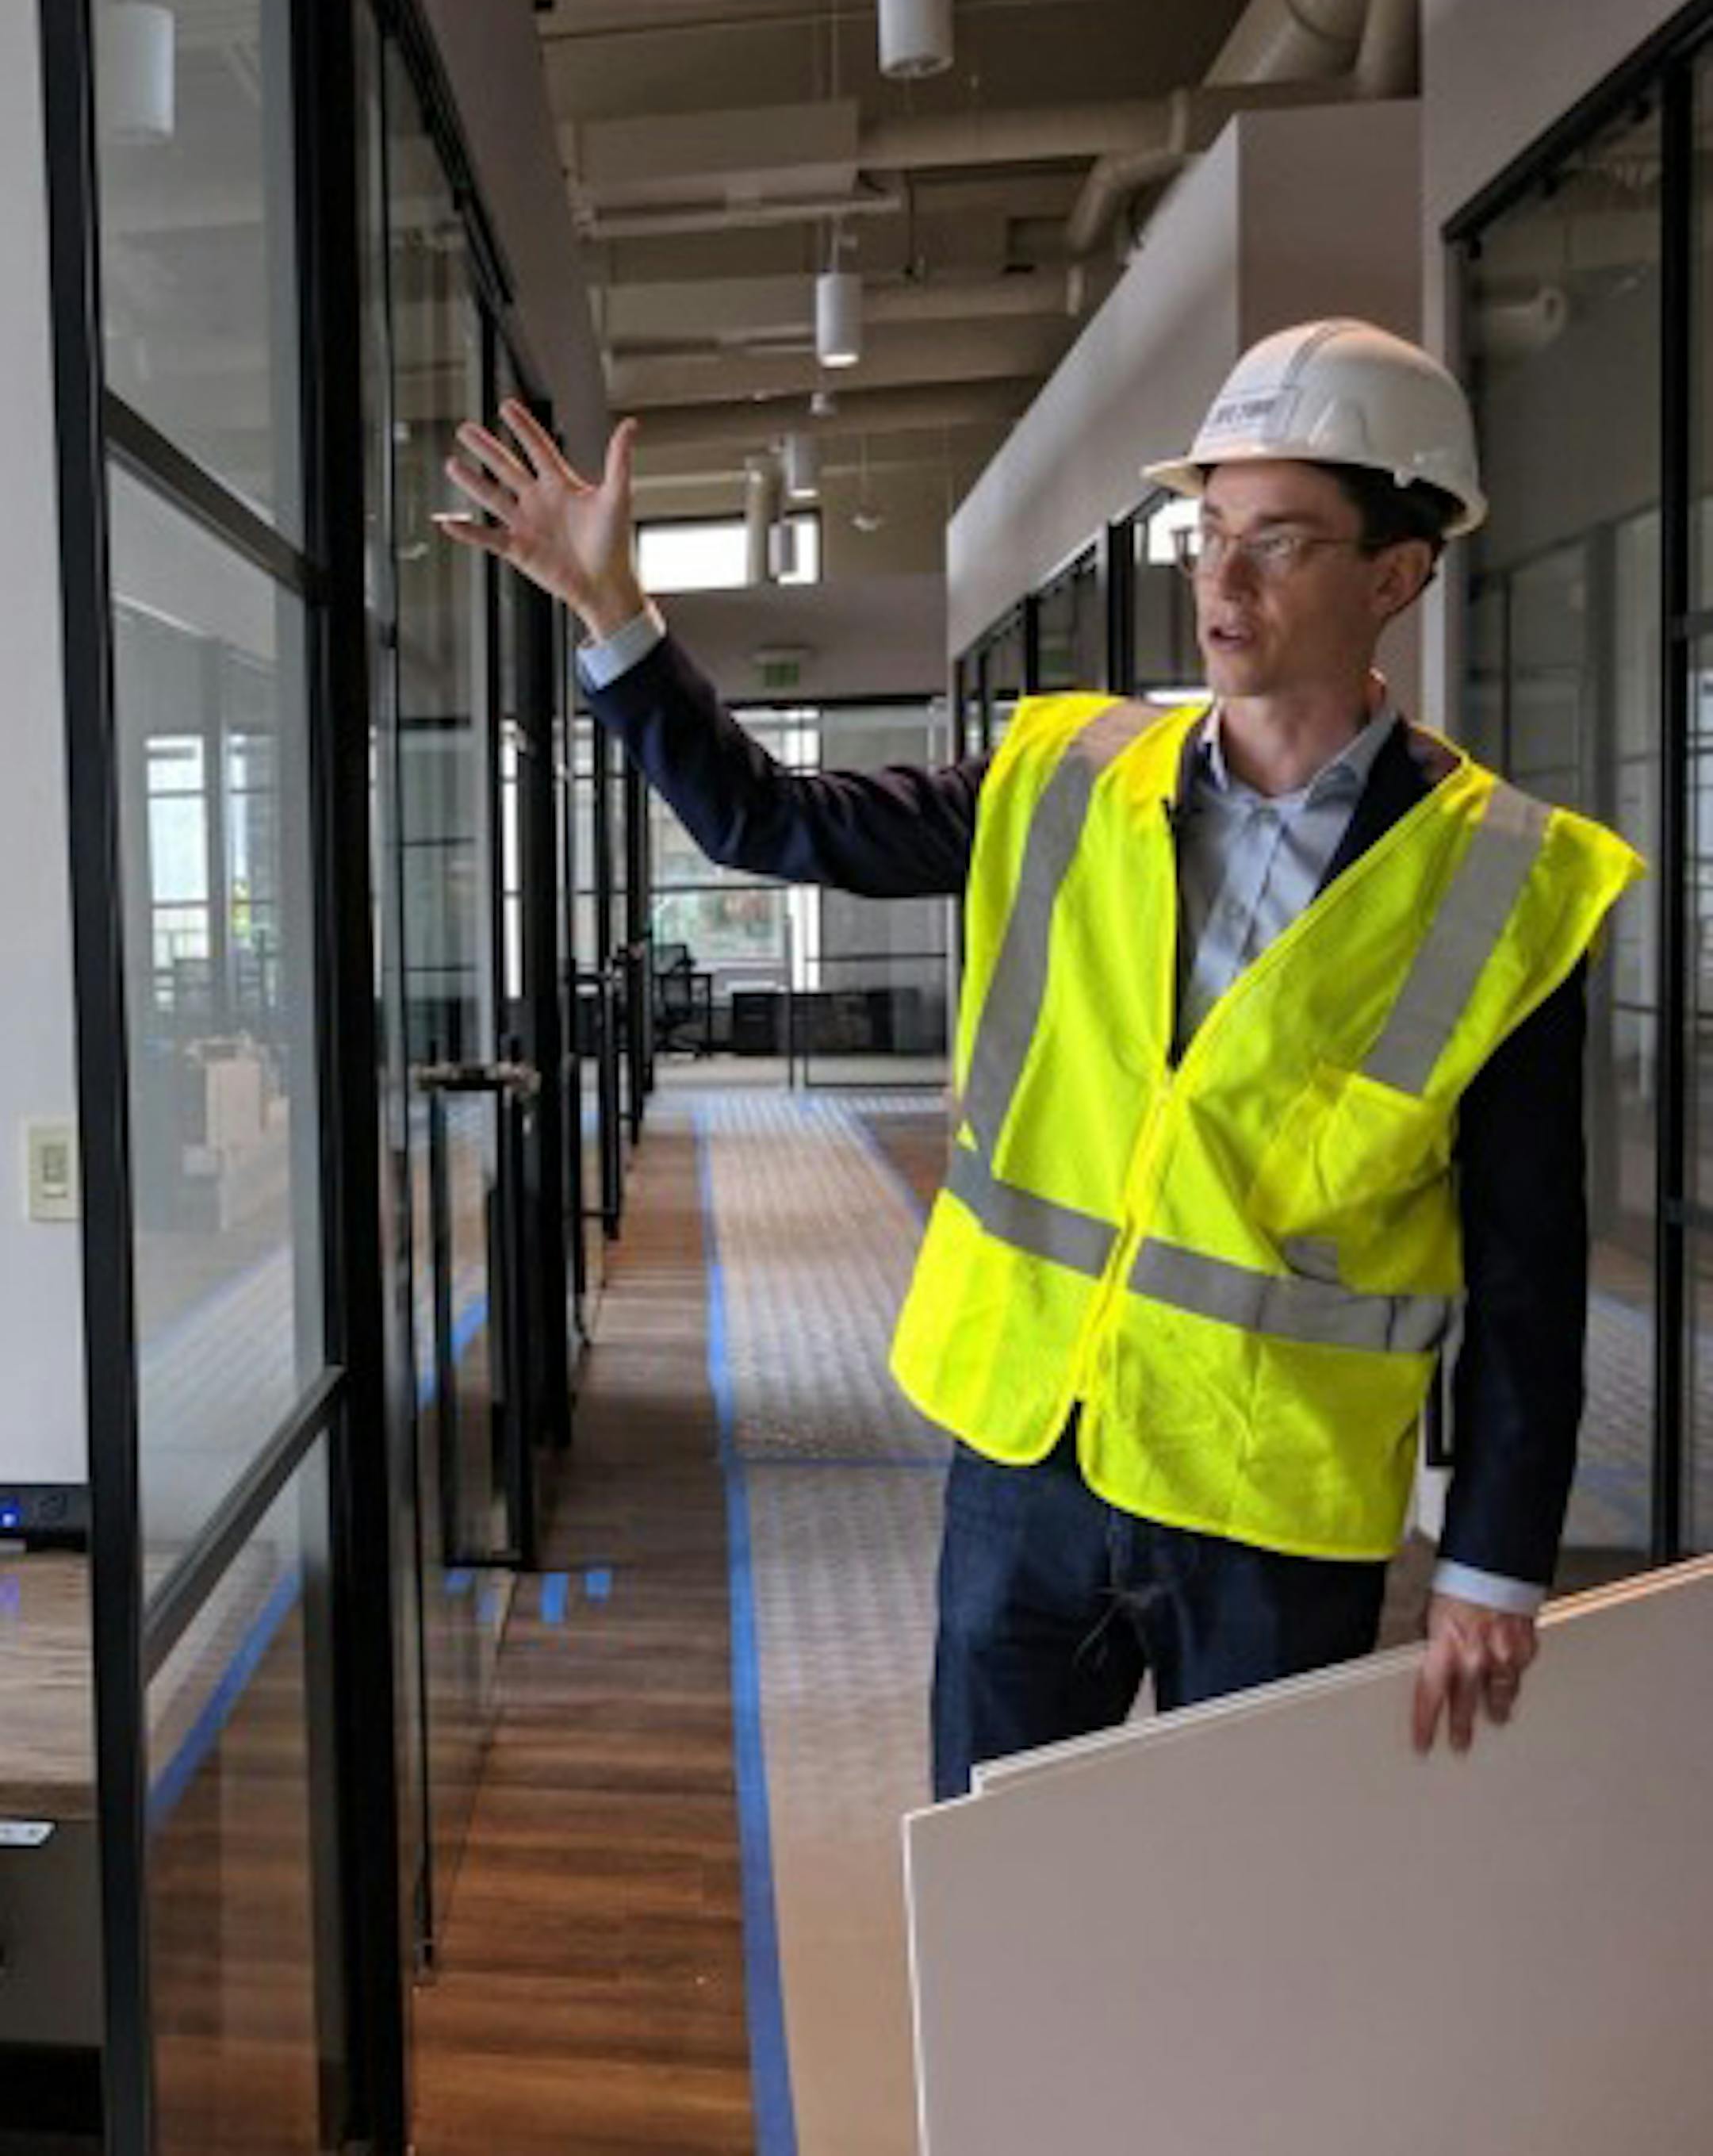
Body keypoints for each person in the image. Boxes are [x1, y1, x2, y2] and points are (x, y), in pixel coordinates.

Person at [439, 318, 1643, 1801]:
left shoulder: (1504, 882)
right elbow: (770, 822)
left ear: (1397, 575)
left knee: (1247, 1892)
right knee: (994, 1877)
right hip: (1032, 1458)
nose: (1223, 578)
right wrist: (611, 606)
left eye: (1281, 541)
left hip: (1269, 1499)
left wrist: (1496, 1564)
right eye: (1209, 535)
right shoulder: (1065, 774)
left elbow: (1526, 1266)